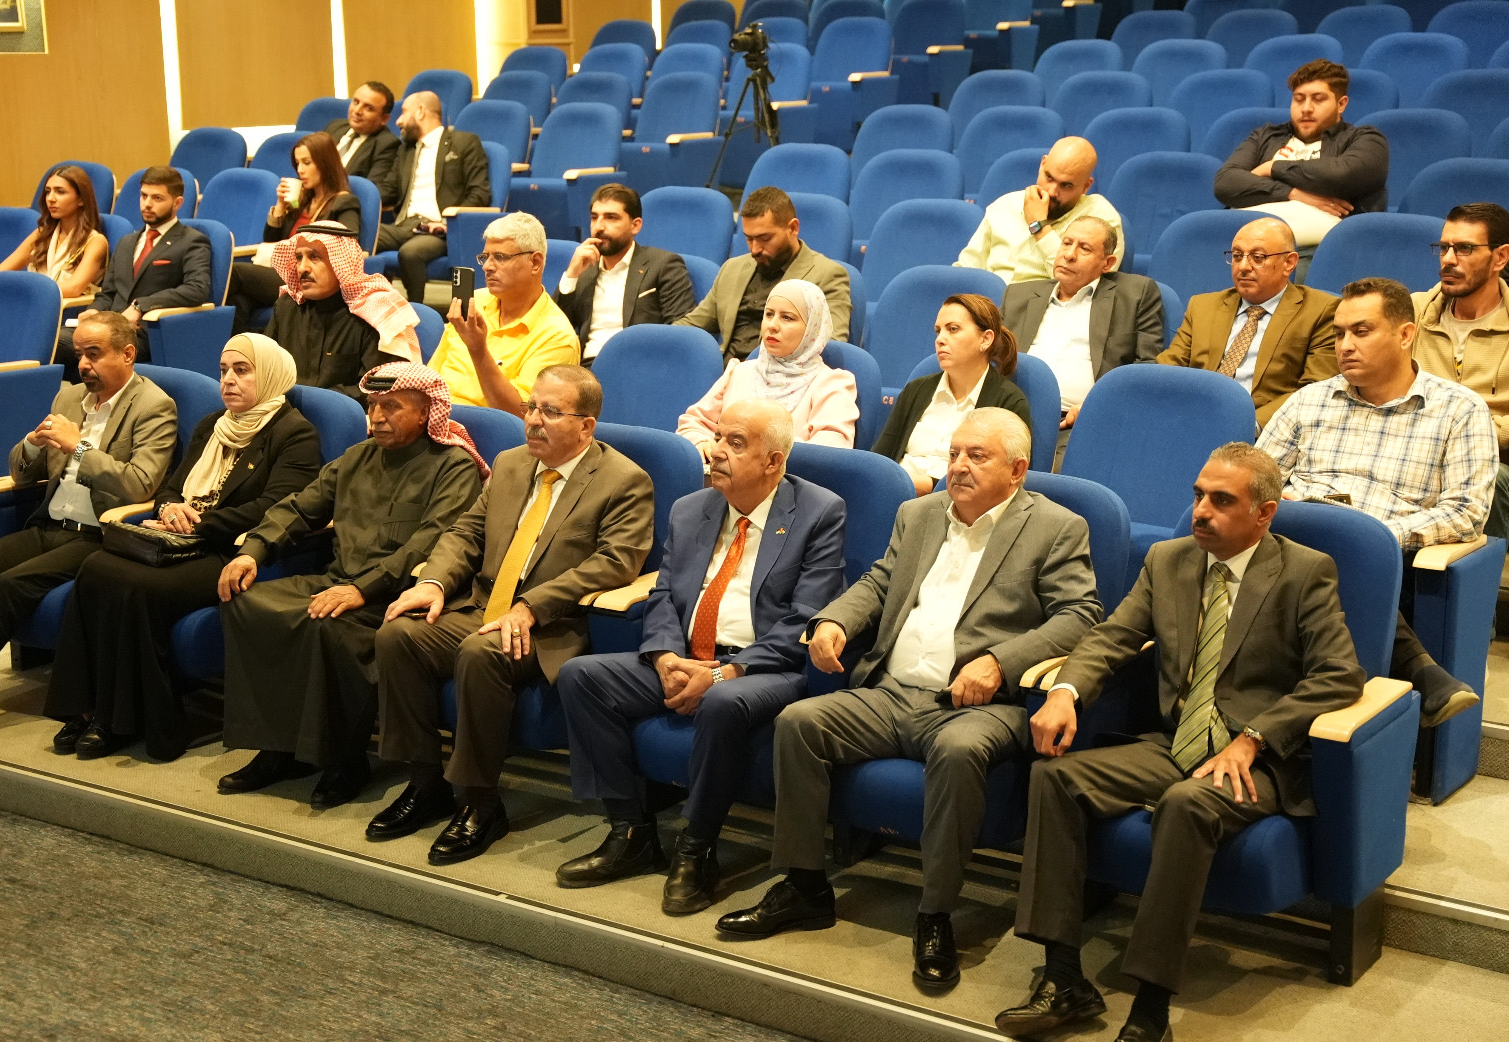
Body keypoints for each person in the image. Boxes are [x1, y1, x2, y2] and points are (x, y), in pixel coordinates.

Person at [1001, 444, 1364, 1042]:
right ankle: (1063, 978)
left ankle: (1149, 1013)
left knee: (1187, 803)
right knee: (1055, 778)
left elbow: (1339, 675)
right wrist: (1065, 691)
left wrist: (1255, 738)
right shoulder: (1167, 561)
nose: (1200, 511)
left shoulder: (1305, 572)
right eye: (1198, 495)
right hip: (1176, 744)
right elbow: (1113, 637)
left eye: (1221, 501)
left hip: (1257, 761)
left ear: (1264, 512)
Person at [717, 408, 1102, 994]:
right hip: (892, 691)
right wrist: (835, 621)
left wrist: (1001, 662)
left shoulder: (1056, 527)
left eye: (977, 456)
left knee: (958, 750)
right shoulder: (918, 514)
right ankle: (804, 886)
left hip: (978, 706)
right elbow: (879, 581)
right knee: (799, 722)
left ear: (1018, 469)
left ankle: (935, 912)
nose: (958, 466)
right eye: (954, 453)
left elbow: (1080, 615)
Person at [555, 400, 847, 914]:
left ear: (773, 462)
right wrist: (666, 658)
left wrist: (724, 672)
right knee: (582, 676)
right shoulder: (692, 508)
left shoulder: (819, 513)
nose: (717, 451)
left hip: (765, 667)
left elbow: (806, 618)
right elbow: (664, 594)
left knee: (722, 701)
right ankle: (630, 832)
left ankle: (697, 847)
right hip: (689, 655)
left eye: (736, 443)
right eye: (718, 437)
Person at [364, 366, 654, 863]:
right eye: (530, 407)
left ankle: (480, 802)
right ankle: (425, 782)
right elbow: (467, 533)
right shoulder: (511, 463)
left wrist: (532, 606)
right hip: (482, 605)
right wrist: (433, 582)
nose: (533, 421)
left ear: (586, 426)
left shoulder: (624, 481)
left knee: (481, 653)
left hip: (552, 625)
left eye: (550, 412)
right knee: (397, 635)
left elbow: (614, 562)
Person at [215, 363, 489, 809]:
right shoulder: (358, 456)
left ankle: (346, 761)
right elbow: (299, 507)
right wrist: (254, 551)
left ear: (426, 413)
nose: (376, 417)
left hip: (398, 595)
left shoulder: (452, 466)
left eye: (391, 406)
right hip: (337, 579)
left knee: (332, 626)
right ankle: (279, 748)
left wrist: (363, 589)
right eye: (372, 405)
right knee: (249, 603)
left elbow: (432, 542)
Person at [44, 335, 322, 761]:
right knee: (97, 568)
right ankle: (87, 708)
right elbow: (171, 488)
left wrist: (200, 523)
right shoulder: (212, 424)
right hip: (180, 539)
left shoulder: (295, 434)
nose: (228, 380)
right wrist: (171, 508)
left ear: (269, 375)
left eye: (242, 371)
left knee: (141, 587)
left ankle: (130, 720)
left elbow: (274, 506)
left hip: (232, 551)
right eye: (224, 370)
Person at [0, 313, 177, 734]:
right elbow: (21, 475)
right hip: (49, 524)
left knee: (10, 584)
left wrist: (79, 447)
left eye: (94, 354)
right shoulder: (68, 399)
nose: (83, 364)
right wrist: (32, 446)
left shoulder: (154, 406)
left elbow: (140, 483)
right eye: (79, 354)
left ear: (127, 354)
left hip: (99, 535)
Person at [1257, 277, 1494, 726]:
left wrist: (1374, 537)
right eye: (1339, 334)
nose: (1345, 345)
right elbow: (1255, 482)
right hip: (1292, 542)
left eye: (1361, 332)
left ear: (1405, 335)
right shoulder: (1309, 401)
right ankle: (1420, 670)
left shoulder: (1458, 410)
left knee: (1340, 556)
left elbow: (1466, 512)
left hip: (1387, 560)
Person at [1001, 217, 1163, 460]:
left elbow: (1146, 369)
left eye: (1084, 248)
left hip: (1082, 423)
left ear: (1108, 263)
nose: (1069, 255)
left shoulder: (1135, 295)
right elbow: (990, 360)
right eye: (1066, 243)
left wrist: (1096, 406)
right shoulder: (1018, 295)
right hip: (1007, 417)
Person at [1157, 217, 1337, 427]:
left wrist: (1248, 425)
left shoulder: (1321, 311)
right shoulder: (1203, 306)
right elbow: (1167, 372)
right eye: (1237, 256)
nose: (1243, 267)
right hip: (1192, 419)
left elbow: (1314, 390)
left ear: (1289, 263)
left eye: (1258, 257)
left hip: (1265, 429)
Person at [1410, 203, 1509, 540]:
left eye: (1465, 248)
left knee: (1491, 478)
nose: (1448, 260)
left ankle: (1484, 569)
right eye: (1444, 248)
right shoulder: (1413, 312)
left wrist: (1467, 429)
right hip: (1414, 449)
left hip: (1495, 458)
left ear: (1500, 257)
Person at [1214, 59, 1389, 248]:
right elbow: (1225, 183)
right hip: (1242, 247)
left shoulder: (1365, 139)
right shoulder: (1265, 136)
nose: (1306, 108)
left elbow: (1342, 174)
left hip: (1316, 251)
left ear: (1341, 104)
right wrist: (1292, 193)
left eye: (1318, 99)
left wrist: (1272, 168)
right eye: (1299, 99)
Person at [677, 279, 859, 454]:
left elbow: (832, 449)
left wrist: (756, 451)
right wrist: (701, 443)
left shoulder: (831, 383)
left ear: (812, 328)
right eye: (769, 314)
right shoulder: (739, 372)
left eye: (787, 318)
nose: (772, 326)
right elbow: (693, 423)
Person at [874, 293, 1032, 493]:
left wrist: (927, 486)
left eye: (953, 329)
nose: (940, 339)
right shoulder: (916, 390)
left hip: (958, 502)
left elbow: (1002, 480)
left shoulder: (1008, 402)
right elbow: (880, 459)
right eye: (938, 331)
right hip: (895, 493)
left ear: (985, 339)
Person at [674, 187, 851, 363]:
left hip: (780, 374)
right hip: (725, 370)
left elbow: (830, 343)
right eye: (749, 239)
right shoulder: (732, 268)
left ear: (793, 228)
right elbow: (693, 325)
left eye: (765, 239)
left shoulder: (827, 275)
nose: (755, 249)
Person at [57, 167, 211, 366]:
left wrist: (140, 306)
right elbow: (108, 293)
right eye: (144, 196)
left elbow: (197, 289)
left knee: (57, 345)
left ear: (177, 203)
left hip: (147, 333)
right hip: (109, 328)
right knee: (52, 340)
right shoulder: (126, 242)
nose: (147, 204)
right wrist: (95, 311)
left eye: (157, 198)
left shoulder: (192, 241)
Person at [429, 212, 580, 413]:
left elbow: (523, 415)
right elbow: (430, 376)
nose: (487, 267)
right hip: (434, 417)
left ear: (535, 263)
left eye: (500, 257)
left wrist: (478, 351)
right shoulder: (474, 302)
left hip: (484, 429)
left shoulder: (557, 337)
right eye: (485, 257)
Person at [263, 222, 423, 399]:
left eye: (314, 257)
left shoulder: (375, 312)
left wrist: (312, 402)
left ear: (341, 262)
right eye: (299, 258)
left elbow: (377, 389)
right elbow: (263, 368)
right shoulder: (287, 306)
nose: (302, 268)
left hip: (347, 413)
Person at [230, 131, 363, 334]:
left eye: (307, 163)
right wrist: (280, 207)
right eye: (297, 164)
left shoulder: (344, 201)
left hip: (310, 275)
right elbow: (272, 241)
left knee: (235, 273)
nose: (300, 170)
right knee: (238, 301)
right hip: (284, 270)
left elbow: (348, 244)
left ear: (325, 163)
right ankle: (245, 350)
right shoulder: (301, 202)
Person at [553, 183, 697, 363]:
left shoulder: (663, 265)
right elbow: (554, 329)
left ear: (635, 226)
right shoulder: (584, 269)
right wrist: (571, 275)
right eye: (594, 217)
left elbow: (682, 332)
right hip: (586, 367)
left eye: (611, 218)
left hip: (637, 364)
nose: (599, 227)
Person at [955, 137, 1125, 285]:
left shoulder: (1101, 220)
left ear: (1086, 186)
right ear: (1042, 164)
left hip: (1045, 309)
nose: (1051, 192)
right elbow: (966, 270)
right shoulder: (1005, 205)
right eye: (1049, 177)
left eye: (1066, 185)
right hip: (987, 306)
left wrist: (1039, 226)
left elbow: (1085, 289)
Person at [375, 90, 492, 304]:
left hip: (440, 229)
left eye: (403, 112)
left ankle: (415, 312)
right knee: (355, 234)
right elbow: (388, 190)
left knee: (410, 253)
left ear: (421, 111)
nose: (398, 121)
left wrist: (447, 223)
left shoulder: (464, 142)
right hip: (403, 225)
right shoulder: (406, 150)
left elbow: (479, 193)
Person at [0, 163, 109, 299]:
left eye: (60, 192)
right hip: (32, 303)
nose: (50, 198)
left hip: (69, 310)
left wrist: (22, 291)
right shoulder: (41, 234)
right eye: (48, 191)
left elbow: (74, 288)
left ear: (81, 199)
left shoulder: (95, 241)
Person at [323, 81, 402, 204]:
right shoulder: (335, 127)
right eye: (356, 102)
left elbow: (371, 192)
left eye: (368, 108)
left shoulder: (386, 144)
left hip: (340, 206)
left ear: (384, 119)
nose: (357, 111)